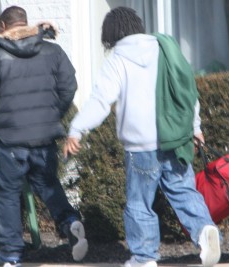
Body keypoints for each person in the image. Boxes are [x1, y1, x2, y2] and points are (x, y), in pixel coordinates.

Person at [63, 6, 221, 267]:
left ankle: (144, 258)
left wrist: (77, 128)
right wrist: (195, 127)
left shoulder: (118, 59)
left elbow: (101, 101)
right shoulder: (166, 49)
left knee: (139, 203)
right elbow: (186, 91)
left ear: (111, 34)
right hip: (175, 137)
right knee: (183, 191)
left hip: (140, 145)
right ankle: (205, 231)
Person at [0, 6, 88, 267]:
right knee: (47, 183)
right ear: (25, 22)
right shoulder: (52, 50)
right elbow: (69, 85)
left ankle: (11, 255)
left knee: (6, 195)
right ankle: (69, 221)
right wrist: (52, 114)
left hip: (8, 140)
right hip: (44, 137)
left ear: (3, 25)